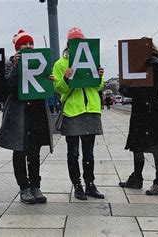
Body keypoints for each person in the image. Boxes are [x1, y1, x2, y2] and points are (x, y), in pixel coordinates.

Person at [0, 30, 53, 204]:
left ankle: (36, 185)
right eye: (24, 44)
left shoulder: (40, 62)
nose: (29, 47)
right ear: (17, 47)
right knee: (19, 151)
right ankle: (24, 187)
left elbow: (44, 87)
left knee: (35, 152)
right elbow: (8, 87)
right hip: (19, 113)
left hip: (36, 112)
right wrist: (15, 67)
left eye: (31, 44)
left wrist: (49, 80)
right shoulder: (9, 63)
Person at [52, 27, 105, 200]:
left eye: (80, 41)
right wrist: (66, 78)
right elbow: (58, 88)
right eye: (73, 41)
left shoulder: (91, 59)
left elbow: (98, 87)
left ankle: (90, 184)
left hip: (91, 110)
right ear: (68, 44)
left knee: (89, 152)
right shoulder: (60, 64)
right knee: (73, 152)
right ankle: (77, 185)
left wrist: (99, 76)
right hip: (72, 111)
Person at [118, 40, 158, 195]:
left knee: (156, 147)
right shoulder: (133, 65)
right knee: (137, 146)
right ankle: (136, 178)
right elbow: (130, 90)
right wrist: (124, 89)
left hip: (152, 109)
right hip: (139, 110)